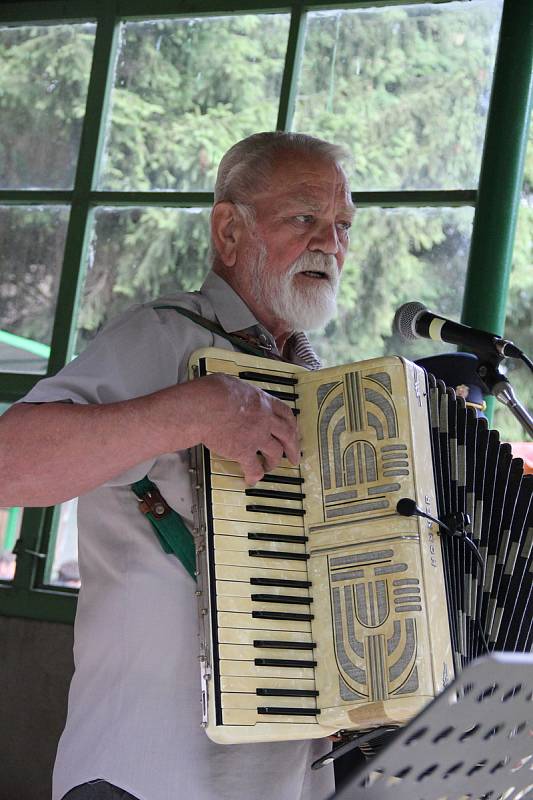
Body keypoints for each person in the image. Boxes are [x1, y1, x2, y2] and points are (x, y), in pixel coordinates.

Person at [0, 131, 355, 800]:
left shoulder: (327, 388)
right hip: (144, 767)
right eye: (304, 217)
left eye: (342, 226)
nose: (329, 243)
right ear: (229, 230)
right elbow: (9, 464)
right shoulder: (163, 335)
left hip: (286, 775)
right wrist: (190, 413)